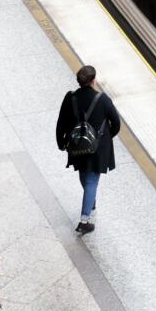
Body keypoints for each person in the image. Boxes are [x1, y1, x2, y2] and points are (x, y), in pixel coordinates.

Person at [54, 65, 121, 234]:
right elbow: (116, 124)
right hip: (97, 150)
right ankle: (84, 220)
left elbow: (61, 123)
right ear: (93, 80)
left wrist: (61, 143)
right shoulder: (103, 99)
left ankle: (90, 201)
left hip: (77, 146)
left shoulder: (70, 98)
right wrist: (104, 140)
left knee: (85, 175)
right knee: (91, 181)